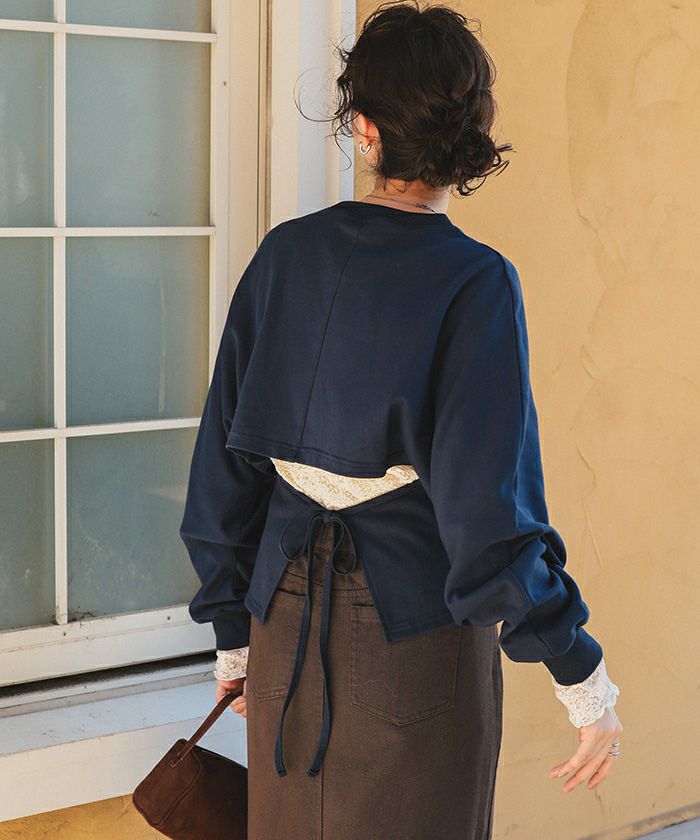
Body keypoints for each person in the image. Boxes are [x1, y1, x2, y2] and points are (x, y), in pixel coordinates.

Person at [180, 2, 623, 837]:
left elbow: (222, 468)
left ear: (365, 129)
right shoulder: (475, 281)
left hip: (280, 628)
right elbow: (489, 518)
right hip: (412, 646)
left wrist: (235, 631)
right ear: (467, 138)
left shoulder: (285, 256)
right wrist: (582, 677)